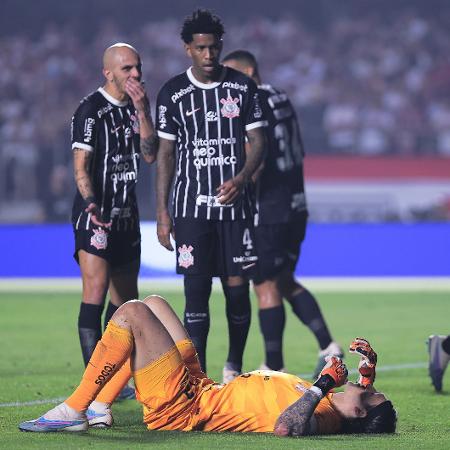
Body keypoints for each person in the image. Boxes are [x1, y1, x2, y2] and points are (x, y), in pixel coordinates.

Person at [18, 296, 396, 436]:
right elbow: (361, 392)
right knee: (156, 303)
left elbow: (286, 427)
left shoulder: (326, 418)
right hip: (203, 386)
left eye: (371, 392)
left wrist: (320, 384)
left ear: (360, 412)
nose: (367, 383)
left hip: (182, 406)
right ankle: (101, 407)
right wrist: (368, 367)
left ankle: (76, 408)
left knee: (131, 314)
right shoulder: (337, 402)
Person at [155, 10, 267, 379]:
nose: (208, 55)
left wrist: (242, 177)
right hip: (191, 210)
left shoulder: (242, 87)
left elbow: (258, 141)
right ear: (187, 48)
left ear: (220, 46)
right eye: (200, 48)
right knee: (196, 291)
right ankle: (197, 371)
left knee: (237, 291)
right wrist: (163, 212)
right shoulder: (172, 93)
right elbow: (166, 156)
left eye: (213, 47)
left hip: (235, 210)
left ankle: (233, 366)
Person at [221, 50, 343, 377]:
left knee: (264, 283)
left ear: (249, 70)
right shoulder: (281, 96)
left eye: (233, 74)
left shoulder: (254, 102)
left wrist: (240, 179)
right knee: (284, 280)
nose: (229, 82)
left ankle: (273, 364)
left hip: (269, 208)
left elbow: (257, 161)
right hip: (296, 204)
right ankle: (329, 347)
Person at [70, 43, 157, 398]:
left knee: (126, 305)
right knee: (95, 290)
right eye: (127, 69)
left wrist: (143, 110)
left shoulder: (138, 109)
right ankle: (96, 381)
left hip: (127, 217)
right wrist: (91, 203)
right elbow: (80, 167)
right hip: (96, 216)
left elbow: (150, 156)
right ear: (108, 73)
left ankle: (116, 372)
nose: (135, 75)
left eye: (137, 68)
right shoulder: (90, 111)